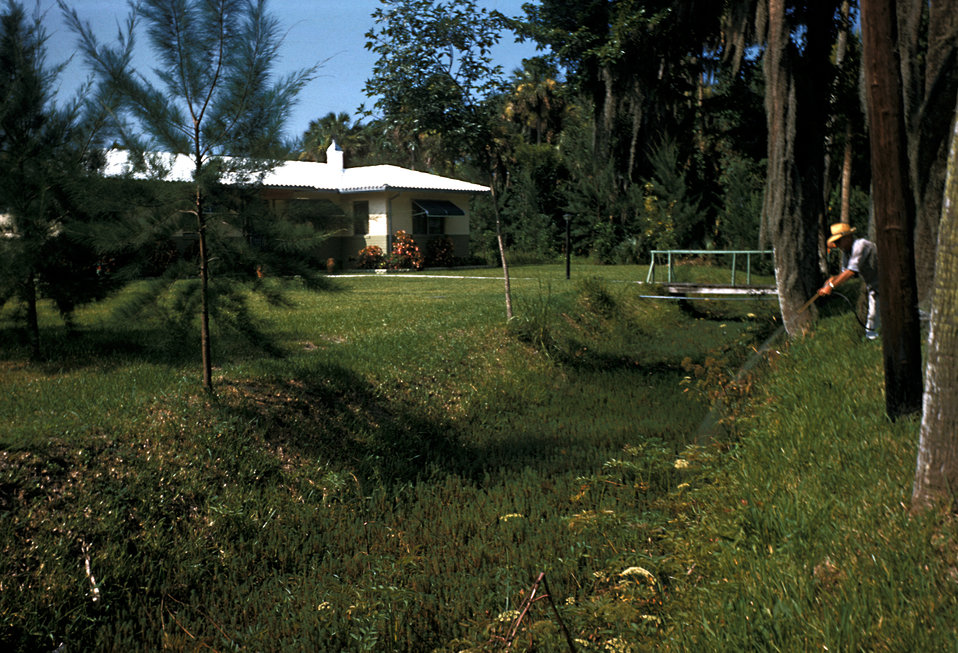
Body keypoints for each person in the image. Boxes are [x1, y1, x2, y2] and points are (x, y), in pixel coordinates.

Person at [817, 222, 879, 339]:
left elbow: (850, 272)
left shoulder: (860, 246)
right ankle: (871, 341)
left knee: (902, 311)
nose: (837, 244)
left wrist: (831, 286)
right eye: (835, 242)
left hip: (889, 283)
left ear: (848, 237)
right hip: (875, 287)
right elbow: (843, 273)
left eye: (838, 241)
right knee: (873, 316)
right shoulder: (847, 253)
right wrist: (831, 280)